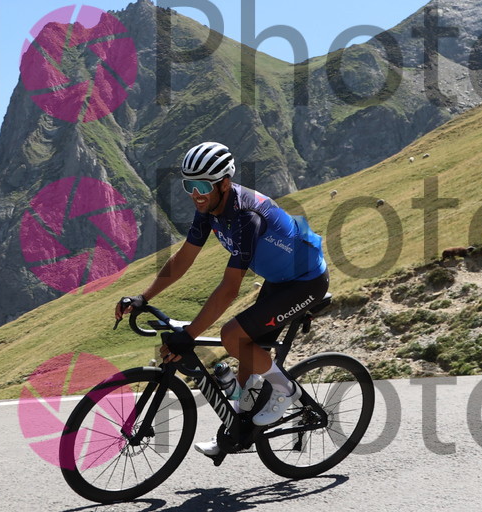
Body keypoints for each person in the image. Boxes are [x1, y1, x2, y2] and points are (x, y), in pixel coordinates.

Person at [115, 141, 328, 456]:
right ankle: (236, 431)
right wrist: (142, 297)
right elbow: (184, 258)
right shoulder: (209, 208)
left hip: (305, 282)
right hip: (279, 280)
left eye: (202, 186)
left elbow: (229, 288)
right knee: (246, 359)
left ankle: (285, 390)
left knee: (233, 336)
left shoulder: (246, 217)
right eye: (188, 185)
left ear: (224, 183)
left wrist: (190, 334)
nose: (195, 194)